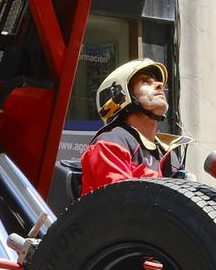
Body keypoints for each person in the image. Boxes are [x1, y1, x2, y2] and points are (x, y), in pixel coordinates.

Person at [78, 59, 184, 196]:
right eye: (146, 81)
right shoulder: (110, 144)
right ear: (121, 95)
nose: (159, 85)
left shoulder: (168, 155)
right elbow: (122, 206)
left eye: (159, 82)